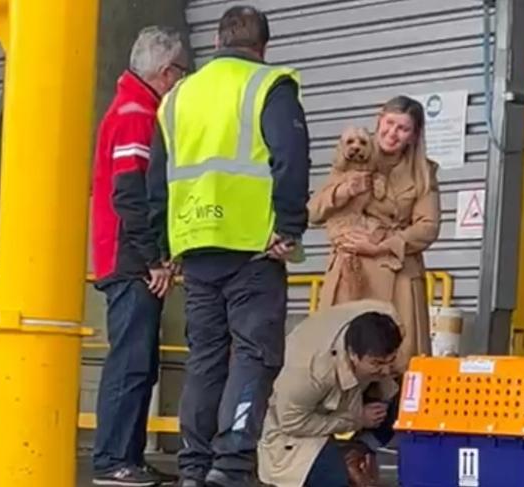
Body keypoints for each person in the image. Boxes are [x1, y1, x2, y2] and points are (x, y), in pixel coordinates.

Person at [146, 5, 311, 487]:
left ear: (216, 42)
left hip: (195, 246)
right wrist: (291, 227)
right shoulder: (269, 86)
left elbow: (156, 179)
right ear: (262, 47)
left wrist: (163, 246)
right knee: (254, 354)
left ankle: (194, 466)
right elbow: (291, 158)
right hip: (253, 247)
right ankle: (231, 463)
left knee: (206, 357)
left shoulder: (176, 98)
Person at [90, 26, 188, 487]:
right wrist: (154, 259)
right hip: (130, 262)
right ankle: (113, 459)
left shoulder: (129, 107)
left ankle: (124, 456)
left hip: (125, 257)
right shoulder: (137, 114)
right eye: (179, 74)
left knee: (139, 364)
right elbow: (130, 193)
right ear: (166, 72)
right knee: (130, 364)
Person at [308, 95, 441, 369]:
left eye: (402, 129)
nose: (392, 133)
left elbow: (428, 227)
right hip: (350, 272)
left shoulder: (423, 172)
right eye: (389, 123)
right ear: (379, 119)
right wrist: (343, 191)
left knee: (397, 361)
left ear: (413, 136)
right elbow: (314, 212)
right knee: (341, 358)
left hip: (397, 272)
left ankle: (391, 409)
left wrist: (384, 245)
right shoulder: (353, 153)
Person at [258, 300, 403, 487]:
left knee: (405, 400)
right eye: (377, 363)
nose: (385, 370)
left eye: (390, 360)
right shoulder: (307, 374)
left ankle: (355, 453)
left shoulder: (388, 319)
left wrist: (387, 374)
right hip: (292, 428)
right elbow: (292, 423)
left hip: (346, 391)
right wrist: (356, 419)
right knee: (333, 479)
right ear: (352, 354)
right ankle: (343, 465)